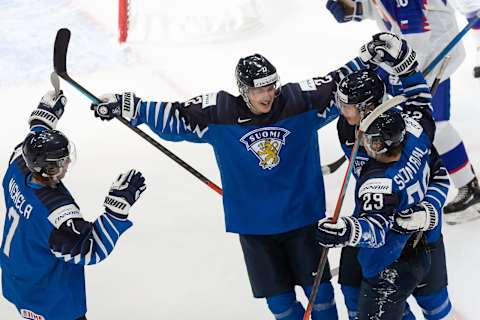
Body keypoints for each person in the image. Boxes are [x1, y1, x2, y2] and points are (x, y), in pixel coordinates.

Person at [85, 49, 388, 319]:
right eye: (259, 90)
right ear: (243, 91)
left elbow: (338, 82)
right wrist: (130, 107)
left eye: (271, 86)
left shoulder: (300, 101)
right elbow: (176, 115)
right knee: (280, 305)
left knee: (320, 298)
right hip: (254, 228)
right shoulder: (219, 112)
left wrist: (369, 57)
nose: (268, 95)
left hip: (303, 219)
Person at [325, 33, 453, 319]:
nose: (342, 112)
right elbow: (420, 101)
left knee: (434, 304)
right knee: (353, 296)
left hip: (416, 237)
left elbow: (440, 173)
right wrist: (399, 66)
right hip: (371, 219)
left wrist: (429, 212)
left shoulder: (407, 135)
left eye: (348, 107)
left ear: (369, 107)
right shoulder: (350, 127)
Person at [325, 0, 480, 224]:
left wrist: (396, 72)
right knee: (433, 123)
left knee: (437, 124)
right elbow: (388, 11)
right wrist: (357, 9)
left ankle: (468, 187)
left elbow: (416, 32)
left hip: (431, 54)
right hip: (415, 54)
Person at [0, 90, 146, 320]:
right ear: (48, 169)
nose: (67, 162)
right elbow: (91, 250)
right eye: (62, 160)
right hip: (51, 299)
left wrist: (43, 116)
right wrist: (116, 210)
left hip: (19, 280)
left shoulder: (17, 168)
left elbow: (31, 142)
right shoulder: (57, 213)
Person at [317, 109, 450, 319]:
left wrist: (346, 231)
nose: (364, 143)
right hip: (416, 249)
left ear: (380, 144)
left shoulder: (378, 182)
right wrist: (429, 211)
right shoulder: (416, 137)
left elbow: (376, 231)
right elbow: (440, 173)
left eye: (369, 139)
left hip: (389, 263)